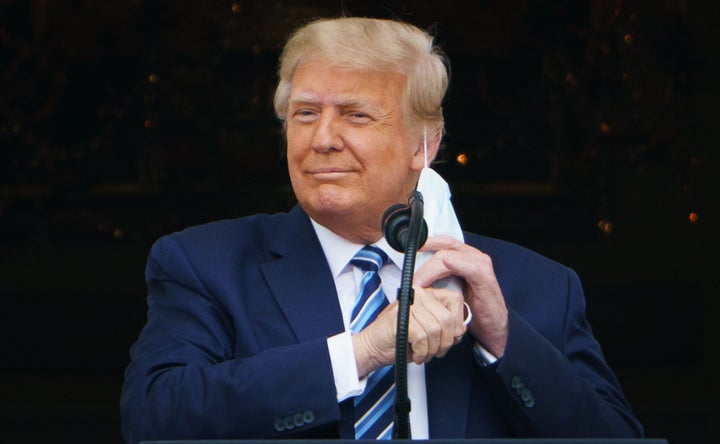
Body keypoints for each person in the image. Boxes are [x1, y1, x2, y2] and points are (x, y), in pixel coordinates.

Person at [120, 17, 644, 443]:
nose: (322, 138)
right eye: (305, 113)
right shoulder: (204, 263)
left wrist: (503, 339)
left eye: (356, 116)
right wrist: (363, 351)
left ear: (425, 145)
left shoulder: (534, 286)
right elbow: (154, 415)